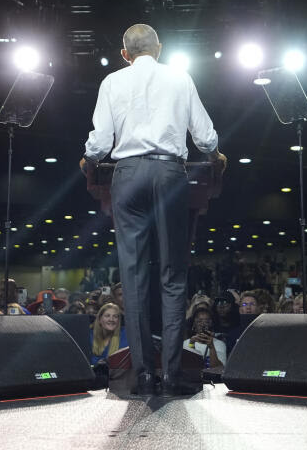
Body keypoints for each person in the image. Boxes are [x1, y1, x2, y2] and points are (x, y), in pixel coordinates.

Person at [81, 23, 226, 396]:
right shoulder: (180, 77)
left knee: (132, 276)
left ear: (124, 54)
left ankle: (144, 374)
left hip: (127, 176)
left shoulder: (112, 81)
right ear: (159, 48)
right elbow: (204, 134)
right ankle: (174, 374)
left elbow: (100, 140)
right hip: (168, 173)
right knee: (173, 275)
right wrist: (215, 154)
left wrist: (89, 159)